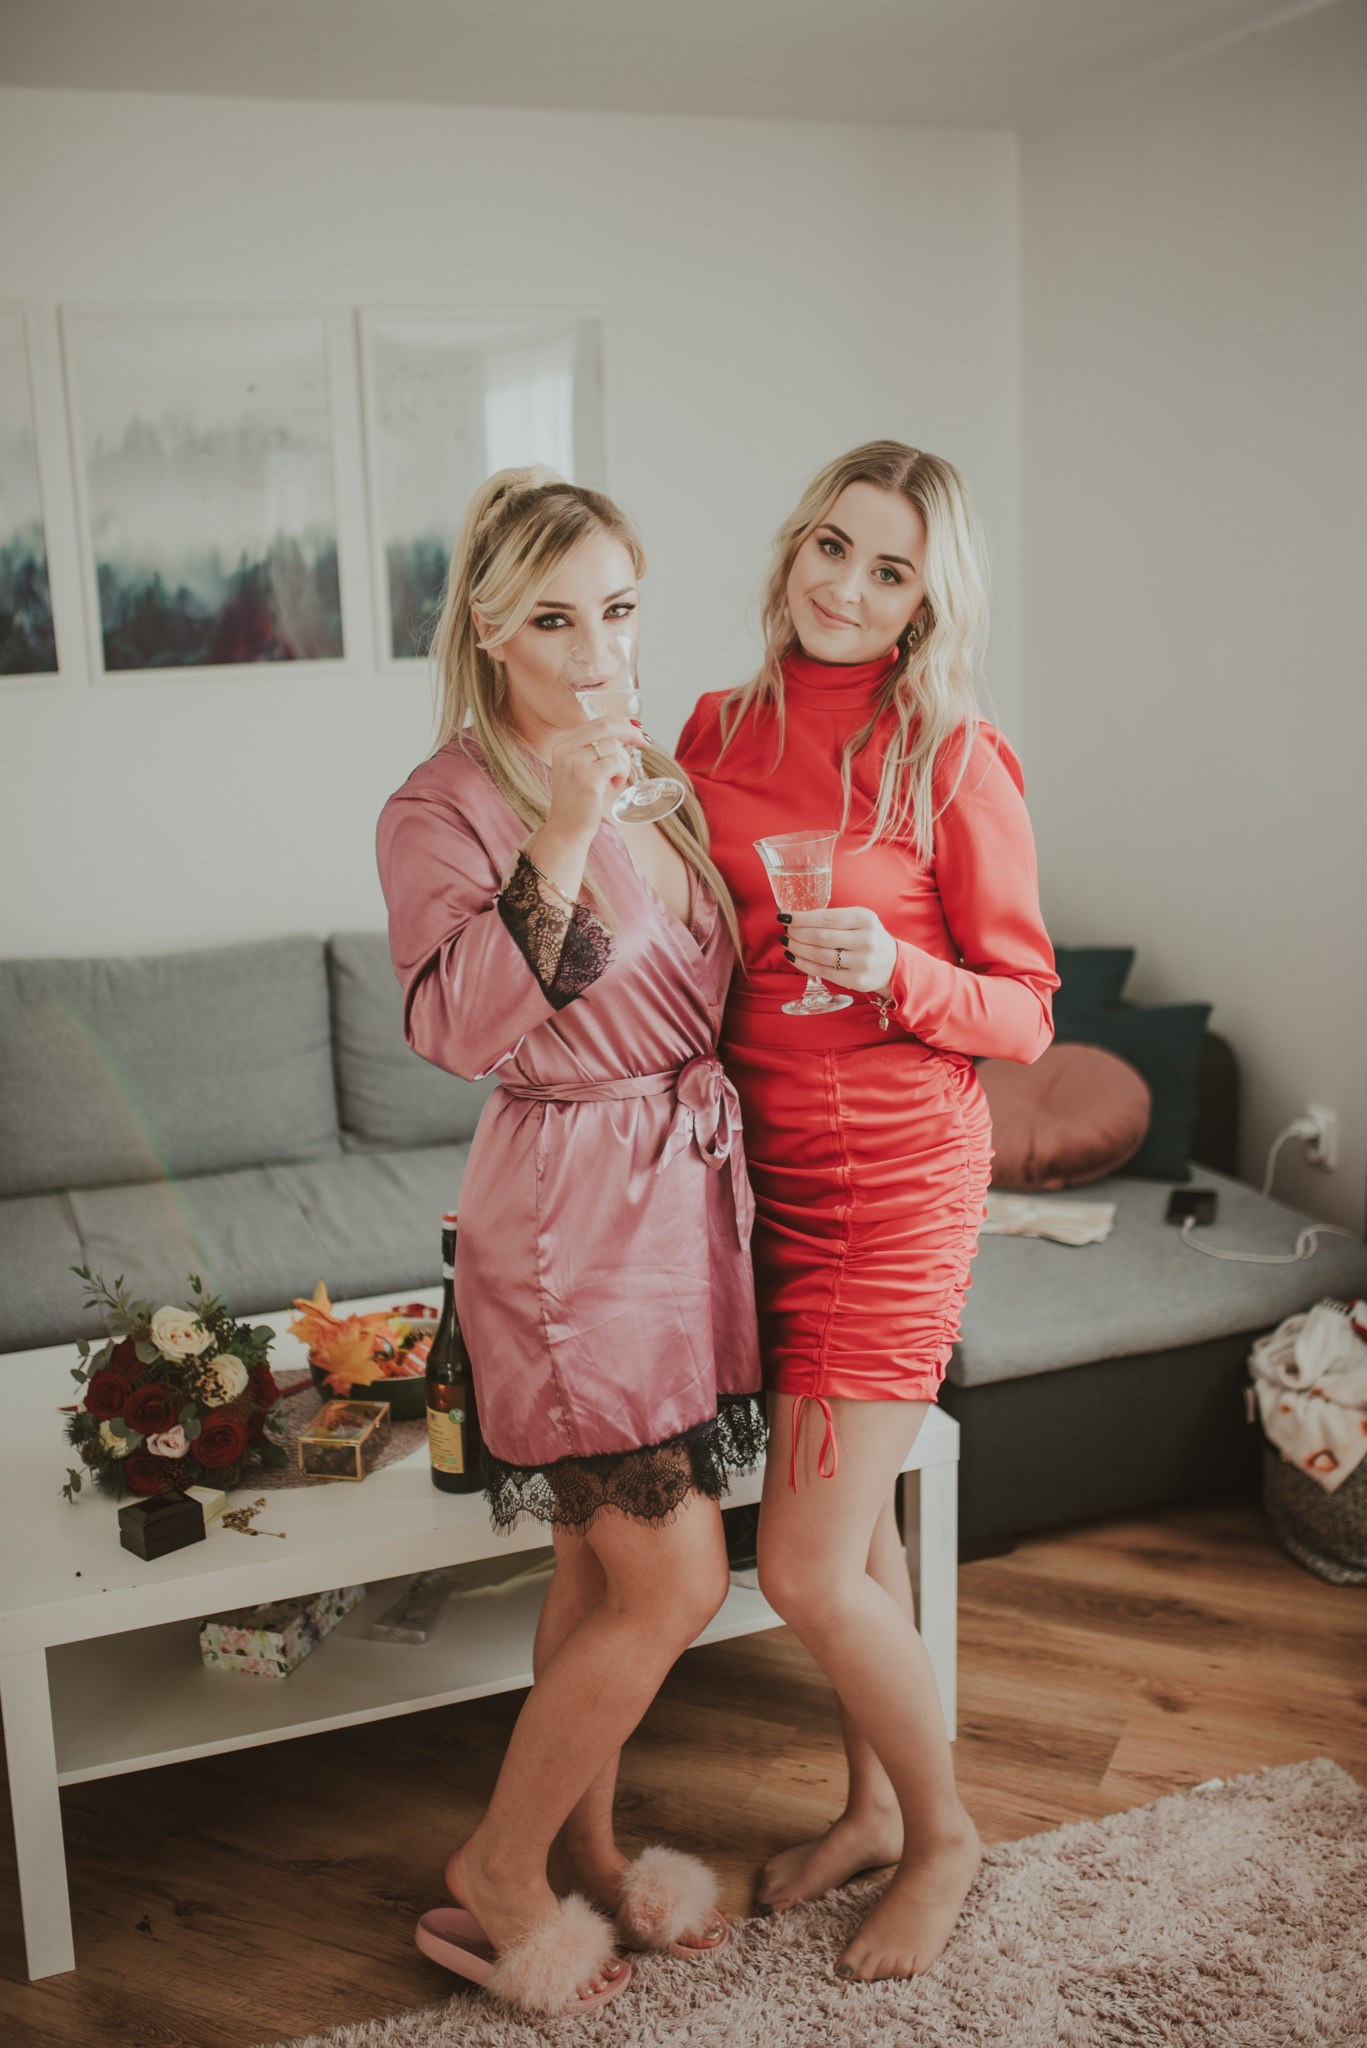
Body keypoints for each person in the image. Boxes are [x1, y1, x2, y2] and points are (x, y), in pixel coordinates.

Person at [378, 467, 764, 2018]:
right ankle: (499, 1867)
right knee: (675, 1585)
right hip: (567, 1227)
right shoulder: (445, 806)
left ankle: (587, 1852)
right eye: (554, 620)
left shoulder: (655, 768)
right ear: (487, 629)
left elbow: (699, 981)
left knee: (599, 1574)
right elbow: (457, 1028)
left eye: (617, 609)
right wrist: (565, 823)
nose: (597, 651)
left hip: (680, 1206)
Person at [677, 441, 1057, 1984]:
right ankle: (873, 1810)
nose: (844, 587)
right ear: (794, 545)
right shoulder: (712, 730)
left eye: (889, 570)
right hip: (757, 1185)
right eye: (831, 546)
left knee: (803, 1566)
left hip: (895, 1190)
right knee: (858, 1535)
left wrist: (896, 970)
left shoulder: (954, 756)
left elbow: (1025, 1012)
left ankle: (947, 1834)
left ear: (924, 602)